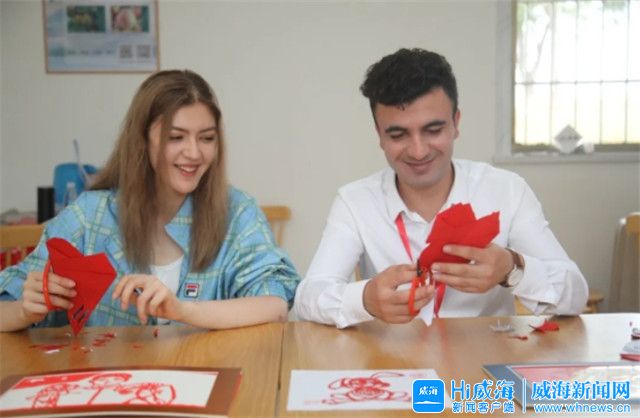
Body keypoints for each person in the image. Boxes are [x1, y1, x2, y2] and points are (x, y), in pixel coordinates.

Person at [293, 48, 588, 328]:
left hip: (486, 357)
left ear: (456, 123)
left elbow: (575, 295)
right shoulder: (355, 201)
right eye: (398, 135)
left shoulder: (506, 190)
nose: (418, 151)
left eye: (433, 130)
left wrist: (513, 269)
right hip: (392, 358)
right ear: (379, 135)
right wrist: (365, 300)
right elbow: (308, 298)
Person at [0, 70, 300, 331]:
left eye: (207, 138)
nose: (194, 153)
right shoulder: (88, 217)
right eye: (176, 137)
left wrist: (182, 310)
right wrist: (24, 311)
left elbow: (274, 305)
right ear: (142, 140)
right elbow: (7, 306)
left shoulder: (238, 212)